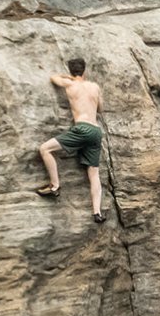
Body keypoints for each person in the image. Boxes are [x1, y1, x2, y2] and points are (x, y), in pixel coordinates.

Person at [35, 57, 107, 223]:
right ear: (85, 70)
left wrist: (67, 77)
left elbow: (53, 78)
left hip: (81, 128)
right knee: (94, 173)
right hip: (96, 131)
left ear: (70, 71)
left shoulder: (70, 84)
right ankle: (97, 212)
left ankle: (54, 186)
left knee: (45, 149)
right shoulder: (94, 86)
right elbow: (101, 109)